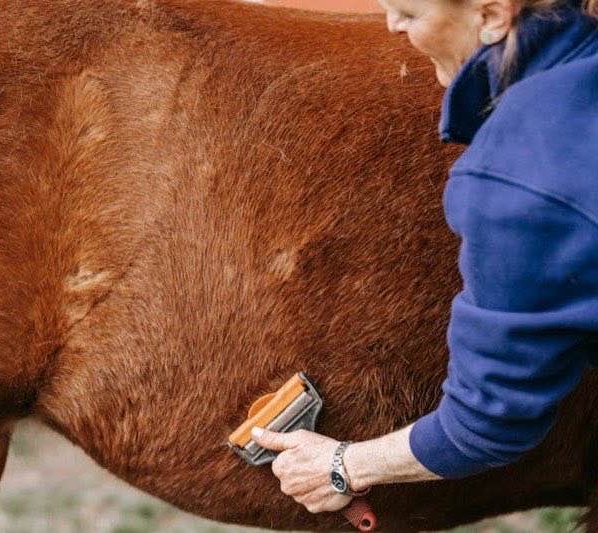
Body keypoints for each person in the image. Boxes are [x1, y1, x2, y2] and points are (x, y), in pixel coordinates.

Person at [251, 0, 598, 514]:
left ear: (493, 16)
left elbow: (487, 422)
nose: (391, 26)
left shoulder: (517, 175)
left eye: (409, 15)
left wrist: (345, 465)